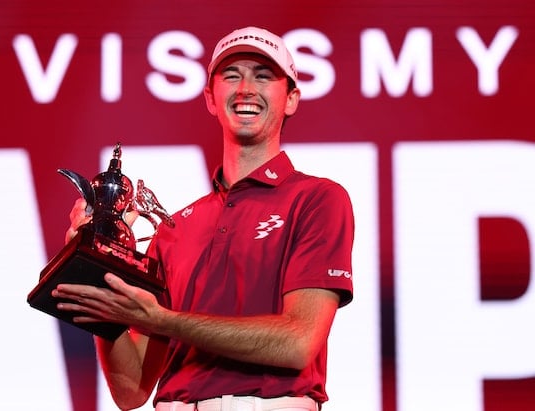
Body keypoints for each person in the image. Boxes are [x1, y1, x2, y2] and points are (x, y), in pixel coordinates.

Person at [53, 26, 354, 411]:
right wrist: (98, 268)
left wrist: (163, 320)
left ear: (291, 98)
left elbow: (297, 342)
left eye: (263, 75)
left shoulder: (316, 199)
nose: (246, 88)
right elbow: (131, 391)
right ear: (211, 97)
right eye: (232, 75)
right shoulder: (175, 229)